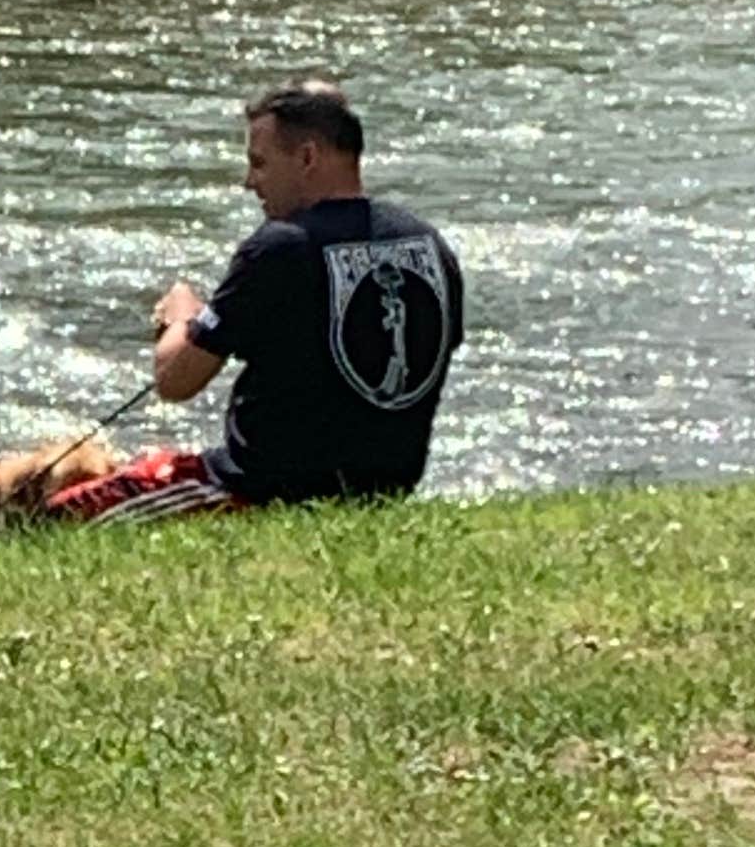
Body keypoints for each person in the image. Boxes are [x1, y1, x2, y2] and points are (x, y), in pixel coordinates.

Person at [44, 78, 465, 526]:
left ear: (307, 157)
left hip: (258, 490)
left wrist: (181, 316)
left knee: (52, 517)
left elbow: (175, 381)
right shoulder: (428, 244)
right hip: (385, 488)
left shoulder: (281, 247)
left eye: (259, 163)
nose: (250, 182)